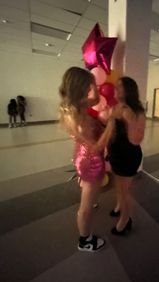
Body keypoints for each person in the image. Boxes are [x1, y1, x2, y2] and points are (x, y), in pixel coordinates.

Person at [59, 67, 110, 252]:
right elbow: (96, 146)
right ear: (80, 88)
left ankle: (90, 199)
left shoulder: (78, 108)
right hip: (91, 161)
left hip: (84, 157)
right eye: (90, 86)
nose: (93, 89)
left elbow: (95, 100)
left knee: (89, 198)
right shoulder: (77, 116)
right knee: (85, 207)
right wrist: (110, 126)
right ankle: (85, 241)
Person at [107, 77, 146, 235]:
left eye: (120, 87)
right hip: (115, 154)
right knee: (118, 186)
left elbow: (135, 140)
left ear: (129, 90)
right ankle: (119, 206)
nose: (115, 89)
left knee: (125, 191)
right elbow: (111, 131)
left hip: (128, 156)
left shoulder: (137, 111)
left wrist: (128, 119)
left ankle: (126, 219)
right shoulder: (116, 107)